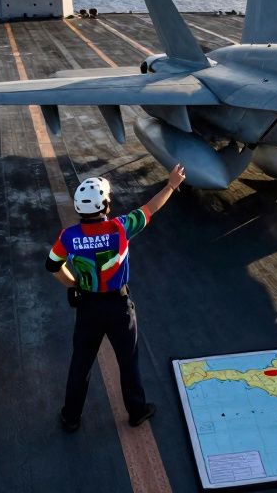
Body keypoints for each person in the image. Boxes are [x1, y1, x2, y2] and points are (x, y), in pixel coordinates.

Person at [46, 164, 187, 432]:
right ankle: (137, 411)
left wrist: (73, 283)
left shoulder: (69, 237)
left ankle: (71, 417)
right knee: (128, 360)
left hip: (88, 308)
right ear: (106, 205)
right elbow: (152, 208)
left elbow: (52, 266)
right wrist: (171, 185)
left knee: (81, 363)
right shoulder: (121, 228)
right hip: (118, 307)